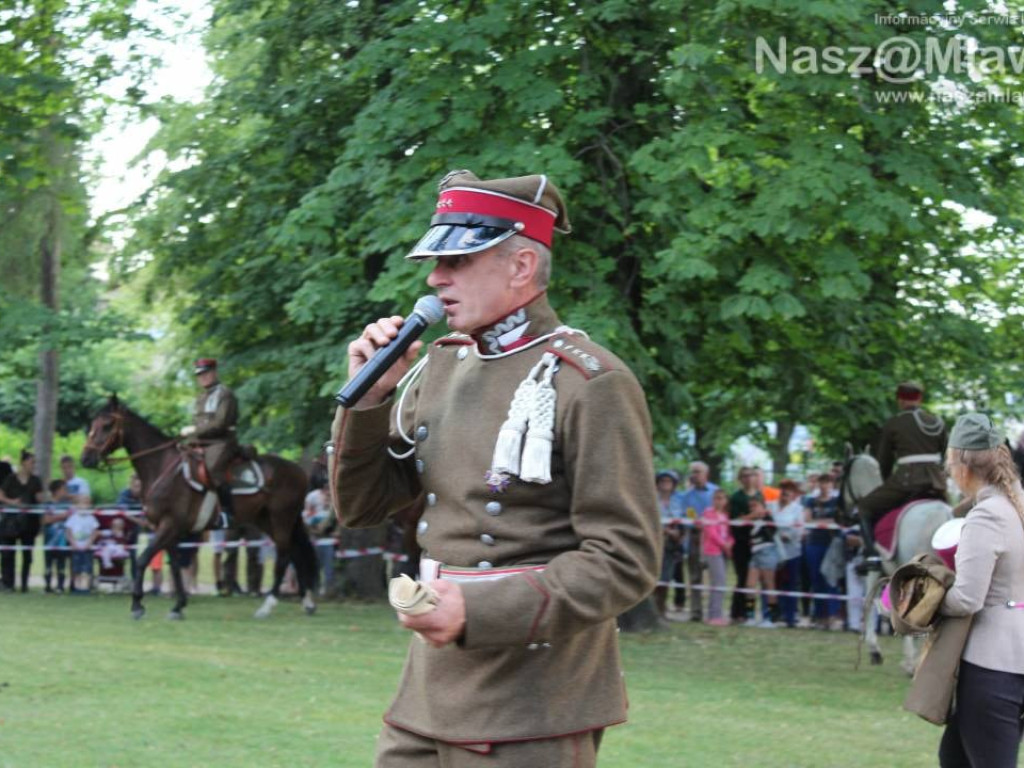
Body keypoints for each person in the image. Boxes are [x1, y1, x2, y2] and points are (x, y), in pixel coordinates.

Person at [329, 169, 660, 767]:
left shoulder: (591, 381)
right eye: (436, 262)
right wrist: (371, 400)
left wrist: (477, 610)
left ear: (521, 267)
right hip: (427, 691)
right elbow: (361, 509)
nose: (435, 277)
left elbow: (625, 559)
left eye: (458, 261)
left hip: (533, 700)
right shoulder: (440, 365)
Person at [937, 413, 1024, 768]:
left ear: (961, 465)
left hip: (993, 664)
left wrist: (924, 601)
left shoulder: (987, 514)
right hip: (1014, 656)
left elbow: (967, 599)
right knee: (953, 757)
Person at [859, 381, 948, 567]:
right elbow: (947, 455)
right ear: (920, 399)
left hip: (906, 482)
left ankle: (872, 556)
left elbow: (884, 461)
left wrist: (885, 483)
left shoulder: (895, 423)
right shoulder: (937, 422)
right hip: (936, 484)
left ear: (899, 400)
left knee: (864, 508)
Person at [180, 357, 239, 528]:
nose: (203, 377)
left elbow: (220, 424)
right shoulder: (201, 397)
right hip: (201, 441)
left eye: (206, 373)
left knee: (212, 468)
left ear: (214, 372)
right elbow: (199, 421)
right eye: (200, 375)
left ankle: (228, 513)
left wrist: (193, 431)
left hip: (221, 441)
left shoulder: (225, 394)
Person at [677, 461, 718, 622]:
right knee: (695, 577)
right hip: (694, 539)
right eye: (692, 472)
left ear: (706, 474)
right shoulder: (686, 496)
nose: (694, 475)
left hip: (714, 540)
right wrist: (696, 524)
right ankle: (696, 612)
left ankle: (714, 613)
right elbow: (686, 515)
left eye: (697, 472)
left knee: (716, 577)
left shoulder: (715, 492)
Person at [0, 449, 45, 592]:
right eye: (31, 462)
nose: (33, 465)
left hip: (30, 522)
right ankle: (8, 583)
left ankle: (25, 584)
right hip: (11, 522)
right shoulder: (11, 479)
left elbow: (39, 498)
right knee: (8, 554)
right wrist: (11, 502)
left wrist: (43, 498)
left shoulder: (36, 480)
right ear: (23, 463)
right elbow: (1, 495)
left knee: (27, 555)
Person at [803, 474, 842, 630]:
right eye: (822, 482)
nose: (825, 485)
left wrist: (820, 522)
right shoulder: (810, 501)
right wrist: (827, 522)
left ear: (832, 484)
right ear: (818, 484)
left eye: (828, 482)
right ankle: (819, 616)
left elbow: (839, 520)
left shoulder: (837, 502)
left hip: (832, 545)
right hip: (813, 544)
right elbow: (807, 520)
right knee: (816, 579)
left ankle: (832, 615)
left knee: (831, 579)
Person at [728, 467, 764, 621]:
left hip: (758, 543)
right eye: (745, 476)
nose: (749, 479)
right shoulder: (736, 498)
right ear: (740, 479)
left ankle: (750, 611)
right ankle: (738, 612)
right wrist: (751, 516)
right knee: (742, 578)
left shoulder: (760, 495)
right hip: (741, 543)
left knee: (753, 581)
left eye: (751, 475)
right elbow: (734, 521)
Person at [773, 479, 805, 629]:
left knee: (790, 584)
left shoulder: (798, 509)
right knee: (774, 584)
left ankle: (791, 616)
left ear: (794, 494)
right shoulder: (771, 506)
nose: (785, 492)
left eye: (789, 490)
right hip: (773, 551)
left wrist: (789, 535)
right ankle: (774, 614)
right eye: (783, 488)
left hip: (792, 552)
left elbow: (800, 530)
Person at [654, 469, 685, 619]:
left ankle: (661, 608)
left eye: (669, 481)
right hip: (656, 541)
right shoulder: (652, 500)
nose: (665, 484)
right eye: (662, 481)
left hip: (673, 544)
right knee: (654, 576)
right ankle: (654, 608)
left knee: (666, 577)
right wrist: (664, 530)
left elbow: (684, 519)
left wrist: (679, 534)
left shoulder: (679, 500)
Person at [743, 497, 780, 626]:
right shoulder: (750, 521)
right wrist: (751, 516)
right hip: (755, 554)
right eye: (750, 507)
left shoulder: (768, 518)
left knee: (768, 584)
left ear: (763, 507)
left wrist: (763, 515)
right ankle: (750, 616)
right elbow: (739, 522)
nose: (753, 509)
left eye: (755, 505)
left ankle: (770, 618)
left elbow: (773, 531)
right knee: (750, 585)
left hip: (767, 552)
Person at [701, 488, 733, 625]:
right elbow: (711, 533)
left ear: (726, 501)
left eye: (722, 498)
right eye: (716, 498)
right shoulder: (708, 513)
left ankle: (716, 614)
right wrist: (723, 545)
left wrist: (730, 544)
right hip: (713, 551)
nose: (719, 501)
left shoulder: (726, 515)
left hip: (725, 551)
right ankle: (714, 615)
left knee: (721, 583)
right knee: (718, 582)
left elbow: (730, 533)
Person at [303, 473, 336, 597]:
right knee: (315, 565)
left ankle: (329, 590)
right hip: (314, 536)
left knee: (329, 567)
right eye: (325, 486)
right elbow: (306, 513)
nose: (327, 489)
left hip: (330, 539)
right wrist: (312, 528)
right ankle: (314, 588)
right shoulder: (313, 496)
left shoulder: (334, 497)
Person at [42, 479, 72, 593]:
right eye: (64, 489)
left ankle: (60, 586)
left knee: (61, 563)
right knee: (48, 563)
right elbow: (46, 520)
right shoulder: (48, 504)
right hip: (49, 539)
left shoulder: (67, 505)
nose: (66, 492)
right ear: (57, 491)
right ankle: (48, 586)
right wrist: (62, 516)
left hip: (62, 540)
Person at [65, 498, 99, 593]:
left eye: (86, 504)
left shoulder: (91, 518)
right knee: (76, 569)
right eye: (81, 503)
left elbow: (95, 532)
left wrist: (89, 543)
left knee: (87, 569)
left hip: (87, 548)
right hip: (76, 548)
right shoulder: (73, 518)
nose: (83, 506)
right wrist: (73, 543)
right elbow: (68, 531)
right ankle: (76, 587)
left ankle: (85, 588)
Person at [115, 474, 143, 580]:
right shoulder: (124, 494)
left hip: (137, 527)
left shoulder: (145, 494)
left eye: (139, 485)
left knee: (133, 553)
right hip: (124, 527)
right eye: (135, 485)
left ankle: (135, 579)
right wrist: (138, 520)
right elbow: (122, 511)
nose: (137, 488)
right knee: (120, 552)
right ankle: (119, 577)